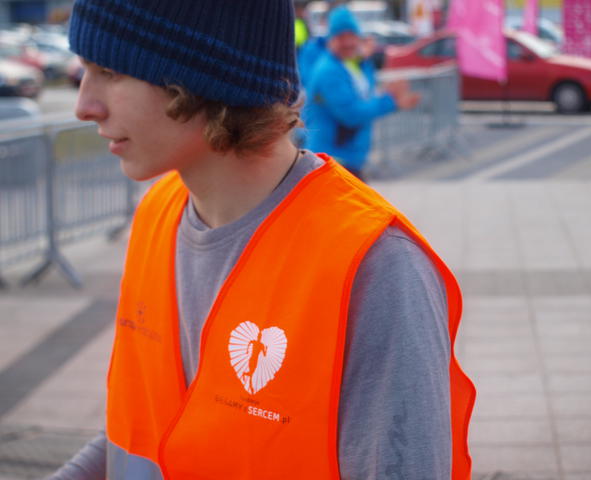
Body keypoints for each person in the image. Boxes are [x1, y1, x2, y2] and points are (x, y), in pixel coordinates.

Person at [51, 0, 475, 479]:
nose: (84, 106)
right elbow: (140, 424)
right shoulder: (158, 213)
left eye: (109, 71)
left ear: (199, 76)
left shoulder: (373, 267)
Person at [304, 6, 420, 180]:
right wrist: (390, 101)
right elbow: (351, 114)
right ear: (331, 40)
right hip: (332, 161)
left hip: (347, 159)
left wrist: (387, 96)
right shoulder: (329, 71)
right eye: (341, 37)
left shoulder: (354, 64)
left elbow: (364, 97)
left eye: (351, 36)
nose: (348, 42)